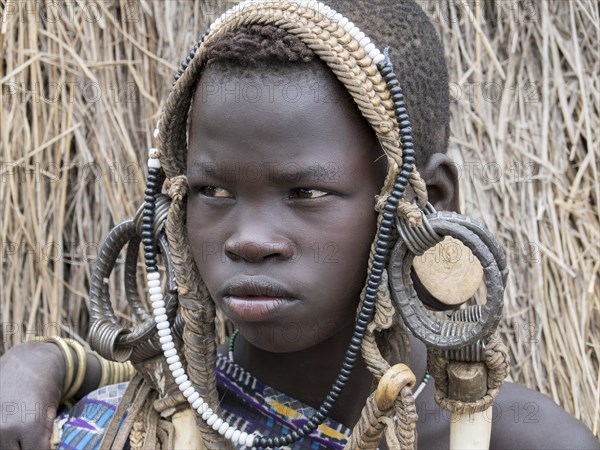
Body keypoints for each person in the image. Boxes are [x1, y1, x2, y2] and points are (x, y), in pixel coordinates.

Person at [1, 1, 598, 449]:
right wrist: (44, 360)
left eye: (306, 191)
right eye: (213, 191)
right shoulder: (112, 427)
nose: (249, 239)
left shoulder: (523, 439)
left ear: (427, 200)